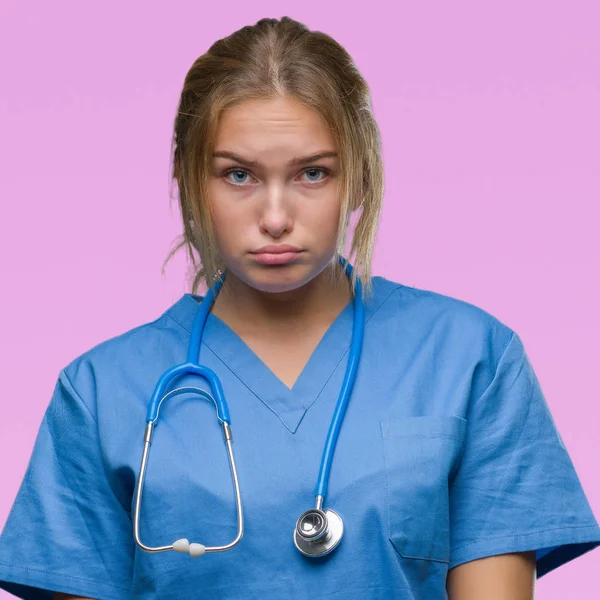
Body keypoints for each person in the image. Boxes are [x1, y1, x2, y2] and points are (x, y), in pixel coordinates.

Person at [1, 16, 599, 600]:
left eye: (313, 173)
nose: (276, 217)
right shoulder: (102, 391)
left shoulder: (470, 359)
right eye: (238, 175)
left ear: (359, 178)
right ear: (189, 182)